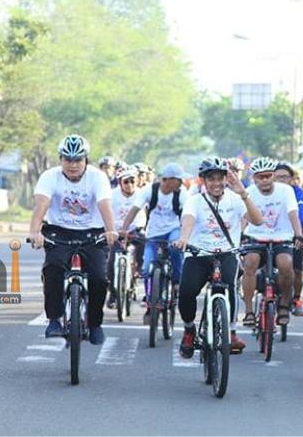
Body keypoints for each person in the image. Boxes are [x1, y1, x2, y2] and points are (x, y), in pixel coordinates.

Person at [29, 134, 117, 346]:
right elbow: (41, 204)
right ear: (61, 159)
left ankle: (95, 324)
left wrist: (111, 230)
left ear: (86, 159)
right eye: (68, 160)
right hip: (59, 233)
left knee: (98, 278)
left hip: (92, 234)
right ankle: (54, 319)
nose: (73, 165)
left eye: (78, 160)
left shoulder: (97, 177)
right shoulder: (50, 176)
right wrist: (34, 231)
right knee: (52, 270)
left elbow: (104, 204)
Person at [174, 157, 263, 358]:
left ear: (226, 179)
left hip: (226, 253)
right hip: (199, 254)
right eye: (211, 179)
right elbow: (188, 220)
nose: (216, 183)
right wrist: (183, 239)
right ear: (203, 181)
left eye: (220, 178)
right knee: (186, 292)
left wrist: (244, 194)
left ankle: (230, 331)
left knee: (230, 287)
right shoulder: (194, 201)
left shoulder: (235, 199)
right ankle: (189, 330)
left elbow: (257, 220)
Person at [120, 163, 189, 323]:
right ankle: (151, 300)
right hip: (153, 233)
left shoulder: (181, 193)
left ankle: (177, 282)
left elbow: (187, 215)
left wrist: (184, 236)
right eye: (179, 180)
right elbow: (135, 209)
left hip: (173, 230)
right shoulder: (149, 191)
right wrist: (124, 229)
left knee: (175, 248)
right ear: (168, 180)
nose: (181, 183)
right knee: (147, 267)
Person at [240, 157, 303, 328]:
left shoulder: (286, 190)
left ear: (273, 176)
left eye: (268, 176)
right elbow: (244, 217)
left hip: (281, 237)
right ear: (254, 178)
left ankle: (284, 304)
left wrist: (298, 234)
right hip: (256, 236)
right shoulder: (249, 192)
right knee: (250, 263)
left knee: (286, 264)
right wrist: (239, 234)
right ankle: (248, 311)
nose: (265, 180)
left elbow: (293, 213)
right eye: (260, 177)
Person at [275, 161, 303, 316]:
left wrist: (300, 235)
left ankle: (296, 298)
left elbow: (302, 216)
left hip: (294, 236)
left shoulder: (299, 193)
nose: (281, 180)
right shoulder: (267, 191)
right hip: (271, 236)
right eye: (278, 177)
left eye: (285, 177)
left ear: (291, 178)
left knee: (297, 270)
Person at [107, 165, 146, 309]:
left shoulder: (143, 194)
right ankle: (112, 293)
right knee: (110, 264)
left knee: (143, 243)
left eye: (132, 181)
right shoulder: (111, 195)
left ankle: (139, 268)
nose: (130, 185)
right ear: (120, 182)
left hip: (135, 230)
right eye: (126, 182)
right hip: (117, 232)